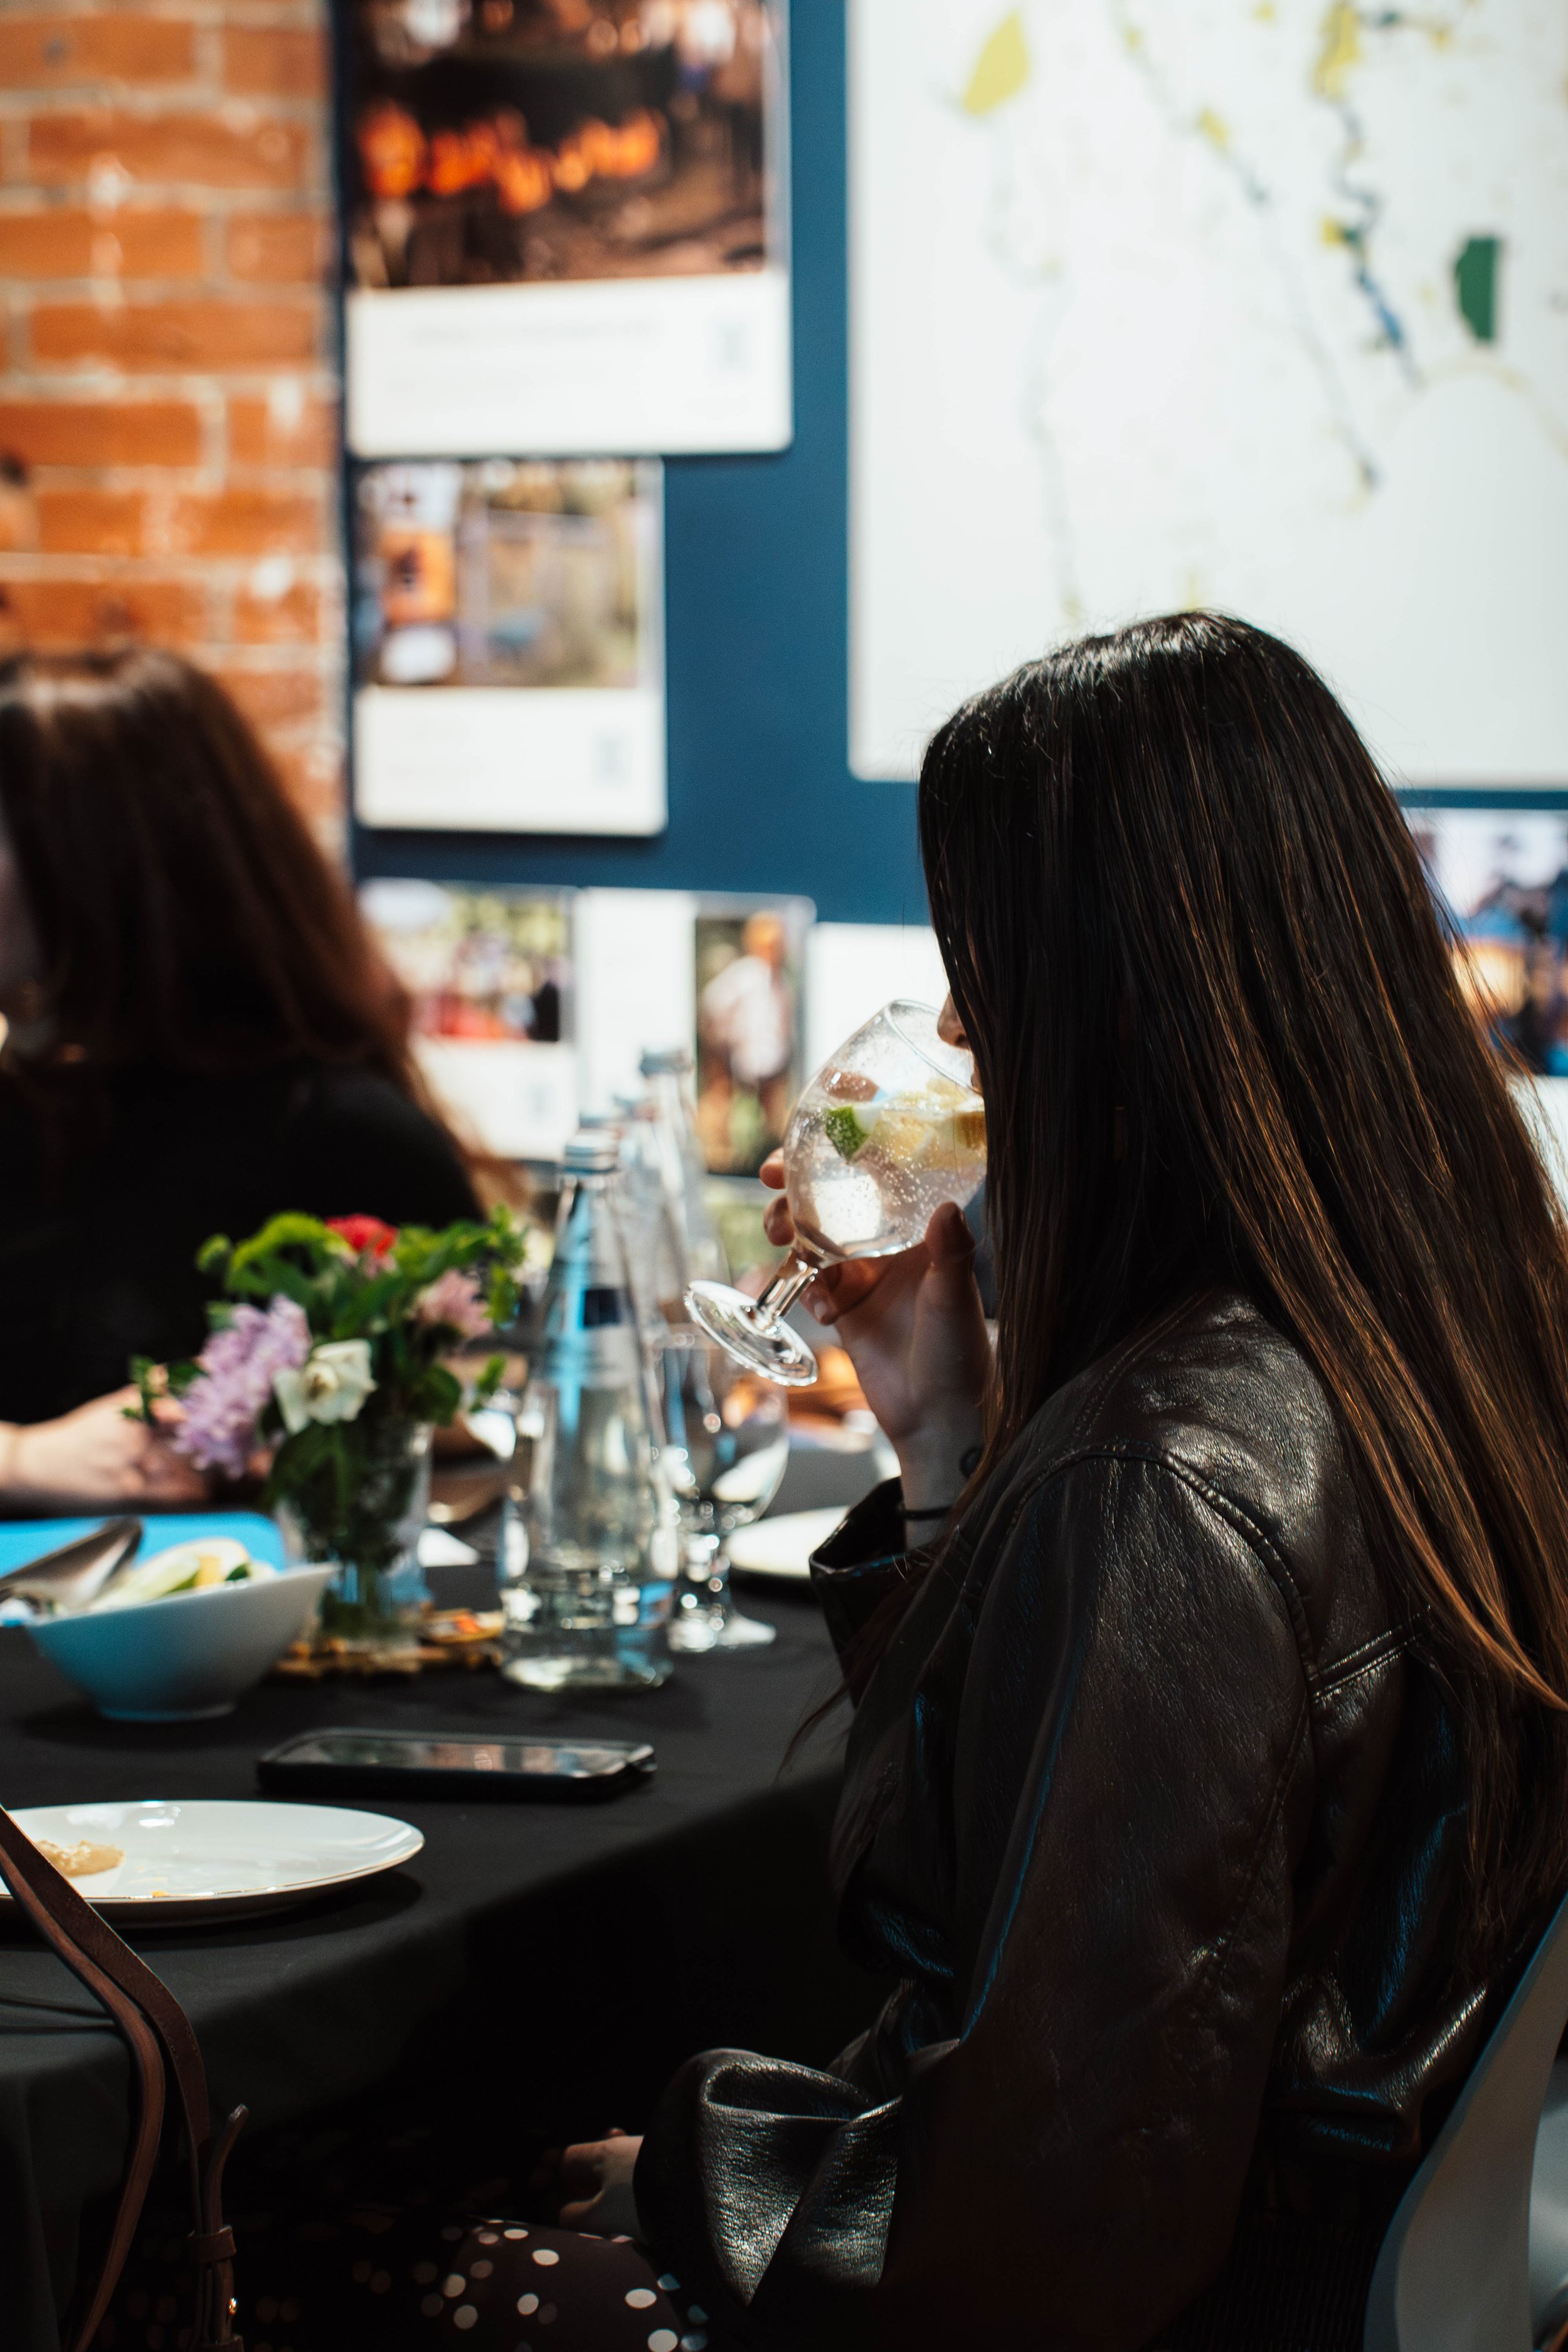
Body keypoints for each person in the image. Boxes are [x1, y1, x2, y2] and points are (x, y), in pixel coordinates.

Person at [115, 610, 1568, 2352]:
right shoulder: (1449, 1345)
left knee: (272, 2232)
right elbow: (1043, 1909)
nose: (954, 1014)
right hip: (1322, 2271)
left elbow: (1038, 2236)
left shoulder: (1162, 1475)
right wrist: (944, 1443)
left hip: (1163, 2303)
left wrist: (695, 2163)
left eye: (984, 957)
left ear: (1109, 1002)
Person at [0, 648, 480, 1468]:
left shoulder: (343, 1135)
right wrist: (27, 1462)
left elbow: (482, 1404)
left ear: (96, 865)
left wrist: (277, 1426)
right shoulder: (22, 1116)